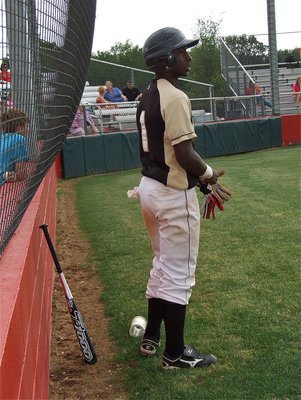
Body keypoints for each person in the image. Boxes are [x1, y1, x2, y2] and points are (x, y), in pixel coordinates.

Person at [135, 27, 230, 370]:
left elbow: (168, 154)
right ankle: (175, 354)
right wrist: (207, 175)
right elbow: (185, 154)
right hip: (172, 195)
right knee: (178, 274)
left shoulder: (147, 95)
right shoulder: (174, 97)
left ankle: (151, 337)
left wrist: (199, 181)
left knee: (162, 265)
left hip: (149, 188)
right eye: (182, 52)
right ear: (166, 60)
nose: (187, 56)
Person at [0, 108, 32, 185]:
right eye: (27, 127)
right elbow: (21, 174)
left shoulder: (2, 137)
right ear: (19, 128)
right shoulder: (19, 139)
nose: (29, 130)